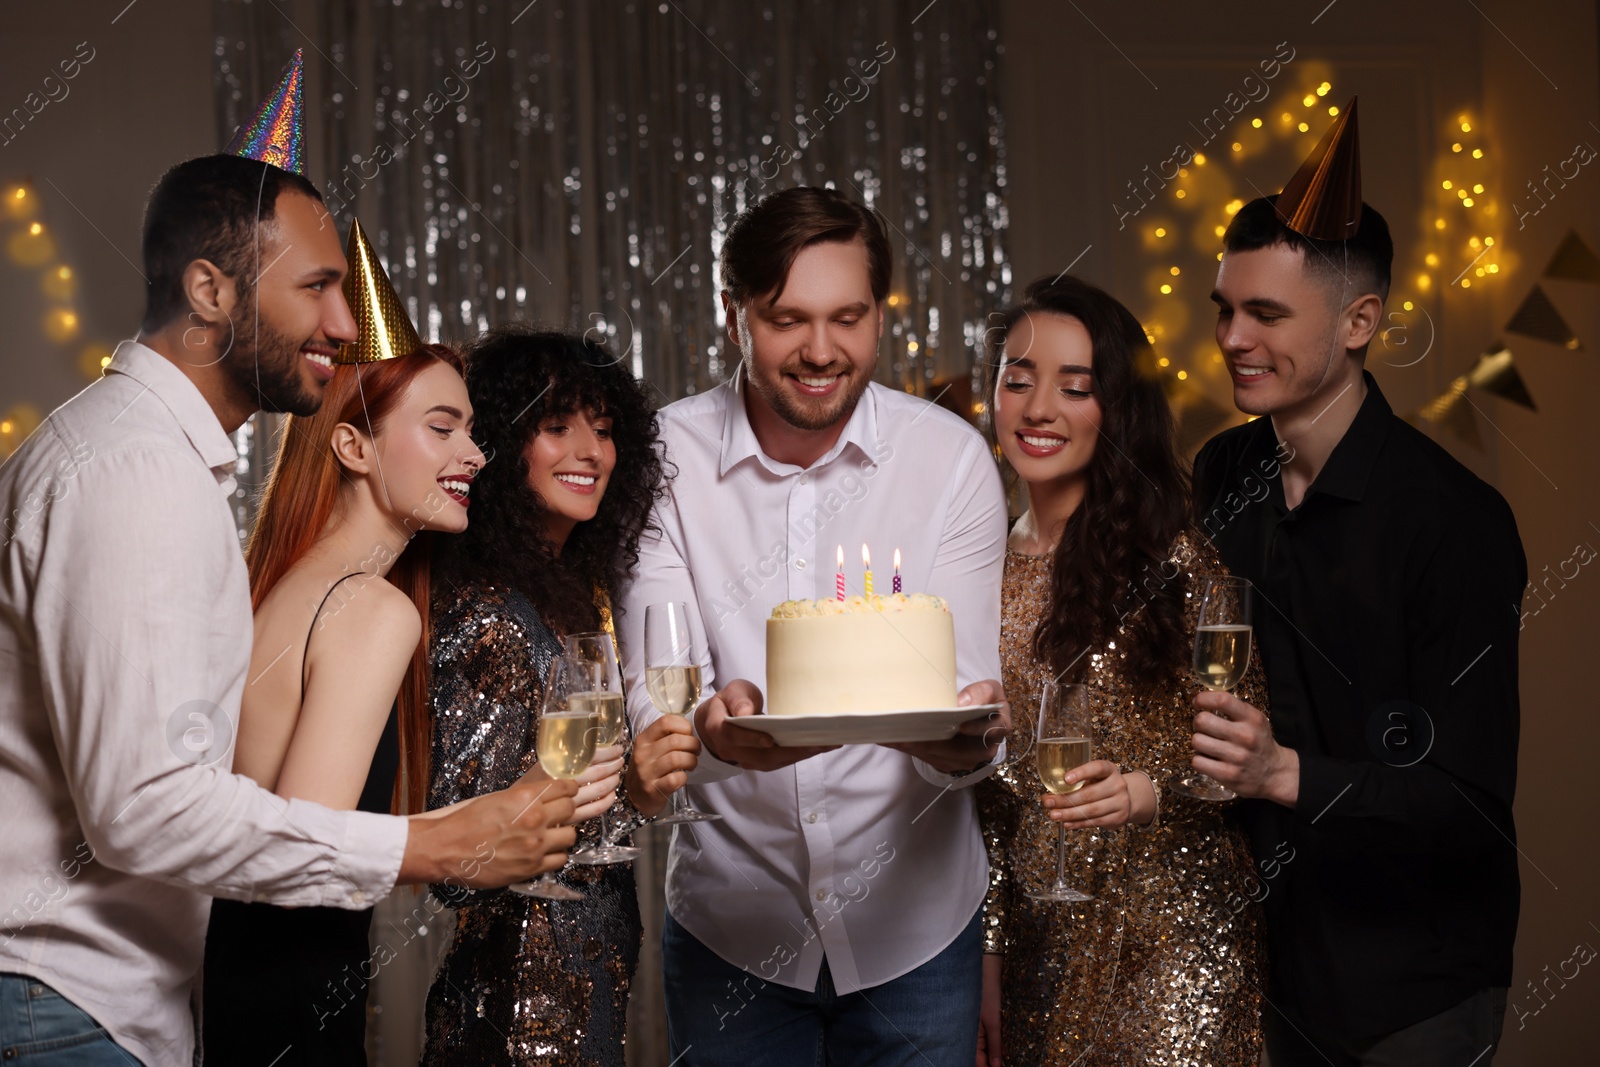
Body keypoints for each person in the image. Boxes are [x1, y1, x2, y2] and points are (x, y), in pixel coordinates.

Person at [0, 68, 574, 1066]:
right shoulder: (134, 473)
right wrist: (434, 842)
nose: (344, 325)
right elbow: (142, 807)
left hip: (102, 1001)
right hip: (65, 1008)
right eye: (316, 285)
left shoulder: (147, 461)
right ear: (210, 290)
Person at [617, 185, 1010, 1067]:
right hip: (733, 926)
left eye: (848, 316)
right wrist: (710, 733)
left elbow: (970, 694)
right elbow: (660, 696)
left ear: (880, 315)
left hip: (918, 927)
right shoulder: (663, 460)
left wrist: (972, 742)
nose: (821, 350)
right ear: (734, 315)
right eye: (787, 318)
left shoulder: (949, 461)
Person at [1192, 99, 1524, 1064]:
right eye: (1224, 308)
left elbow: (1467, 800)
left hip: (1411, 984)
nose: (1231, 338)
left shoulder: (1454, 522)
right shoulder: (1221, 473)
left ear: (1359, 321)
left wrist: (1280, 773)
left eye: (1265, 313)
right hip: (1269, 965)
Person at [200, 222, 507, 1063]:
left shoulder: (279, 586)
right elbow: (304, 864)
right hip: (287, 1014)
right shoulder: (373, 609)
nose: (474, 454)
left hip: (222, 995)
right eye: (442, 427)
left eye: (471, 429)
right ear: (352, 445)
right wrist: (470, 835)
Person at [973, 274, 1265, 1067]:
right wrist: (990, 958)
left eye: (1076, 387)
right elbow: (985, 804)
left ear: (1117, 409)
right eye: (1018, 379)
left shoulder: (1177, 562)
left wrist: (1150, 790)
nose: (1039, 409)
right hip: (1042, 947)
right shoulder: (976, 572)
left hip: (1173, 944)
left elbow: (1244, 759)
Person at [422, 326, 696, 1066]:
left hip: (588, 1000)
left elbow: (580, 801)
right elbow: (459, 858)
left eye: (604, 430)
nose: (589, 451)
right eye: (556, 426)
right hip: (518, 1018)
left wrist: (631, 794)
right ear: (505, 445)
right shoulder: (487, 614)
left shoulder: (578, 592)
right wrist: (616, 799)